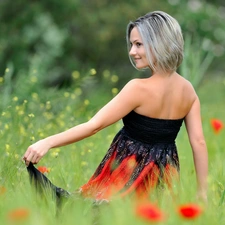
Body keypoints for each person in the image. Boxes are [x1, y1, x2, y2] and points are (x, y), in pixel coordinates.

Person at [23, 11, 208, 202]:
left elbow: (94, 125)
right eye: (131, 44)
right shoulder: (189, 91)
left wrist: (47, 142)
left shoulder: (137, 88)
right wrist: (202, 192)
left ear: (158, 43)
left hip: (126, 173)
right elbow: (199, 143)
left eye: (138, 44)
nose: (132, 52)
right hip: (163, 176)